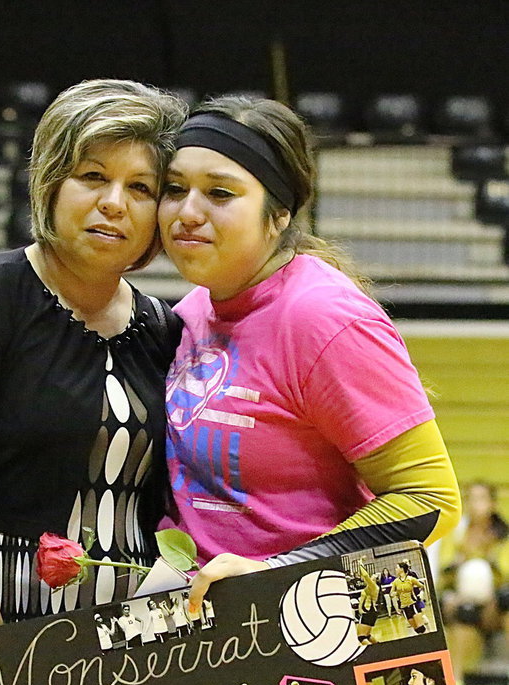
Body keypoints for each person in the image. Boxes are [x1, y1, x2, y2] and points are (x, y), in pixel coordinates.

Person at [0, 79, 186, 641]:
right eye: (93, 177)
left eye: (141, 188)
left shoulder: (165, 327)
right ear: (51, 184)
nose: (114, 202)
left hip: (129, 637)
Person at [156, 95, 461, 611]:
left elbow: (430, 499)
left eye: (220, 193)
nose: (188, 212)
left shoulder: (324, 318)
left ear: (278, 216)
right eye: (175, 189)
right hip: (217, 633)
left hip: (308, 632)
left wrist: (278, 573)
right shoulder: (195, 308)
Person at [435, 481, 509, 685]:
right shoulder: (456, 533)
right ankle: (456, 683)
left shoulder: (502, 535)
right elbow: (444, 571)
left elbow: (504, 572)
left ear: (492, 504)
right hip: (464, 599)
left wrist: (484, 550)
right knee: (461, 613)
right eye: (471, 499)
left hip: (495, 603)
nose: (476, 504)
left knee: (507, 599)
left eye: (481, 499)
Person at [391, 563, 428, 634]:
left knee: (421, 628)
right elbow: (391, 593)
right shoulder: (396, 582)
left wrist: (420, 593)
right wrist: (394, 594)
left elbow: (421, 585)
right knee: (416, 629)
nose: (395, 569)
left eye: (397, 567)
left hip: (413, 604)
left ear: (402, 569)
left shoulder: (410, 579)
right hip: (404, 607)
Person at [356, 555, 381, 645]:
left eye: (374, 576)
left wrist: (360, 563)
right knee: (367, 636)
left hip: (368, 612)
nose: (372, 576)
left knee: (361, 637)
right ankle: (379, 646)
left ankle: (373, 652)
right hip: (370, 612)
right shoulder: (370, 587)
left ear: (376, 580)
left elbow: (365, 575)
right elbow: (364, 575)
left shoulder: (373, 587)